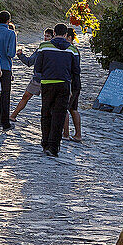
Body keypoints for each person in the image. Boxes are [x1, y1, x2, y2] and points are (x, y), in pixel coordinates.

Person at [33, 23, 81, 157]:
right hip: (64, 85)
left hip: (47, 83)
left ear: (54, 33)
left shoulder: (44, 47)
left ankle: (45, 142)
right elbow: (76, 70)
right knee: (59, 116)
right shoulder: (72, 49)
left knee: (46, 113)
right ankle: (54, 147)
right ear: (66, 35)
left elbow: (37, 68)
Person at [10, 28, 54, 123]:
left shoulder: (49, 49)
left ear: (53, 37)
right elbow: (30, 62)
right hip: (38, 79)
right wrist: (21, 55)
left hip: (47, 80)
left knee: (50, 103)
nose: (46, 38)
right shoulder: (40, 48)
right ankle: (13, 115)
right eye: (45, 36)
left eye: (48, 36)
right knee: (26, 96)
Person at [63, 26, 83, 142]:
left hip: (71, 84)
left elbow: (73, 69)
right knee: (73, 109)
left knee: (64, 108)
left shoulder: (71, 50)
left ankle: (65, 134)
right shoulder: (75, 50)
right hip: (76, 83)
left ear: (69, 37)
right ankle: (77, 134)